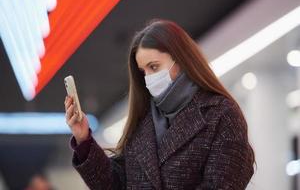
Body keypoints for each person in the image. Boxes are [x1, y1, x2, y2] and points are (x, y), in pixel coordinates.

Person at [64, 19, 256, 190]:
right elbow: (116, 184)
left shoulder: (220, 113)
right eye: (143, 71)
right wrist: (84, 140)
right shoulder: (142, 122)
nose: (148, 78)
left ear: (181, 60)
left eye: (154, 67)